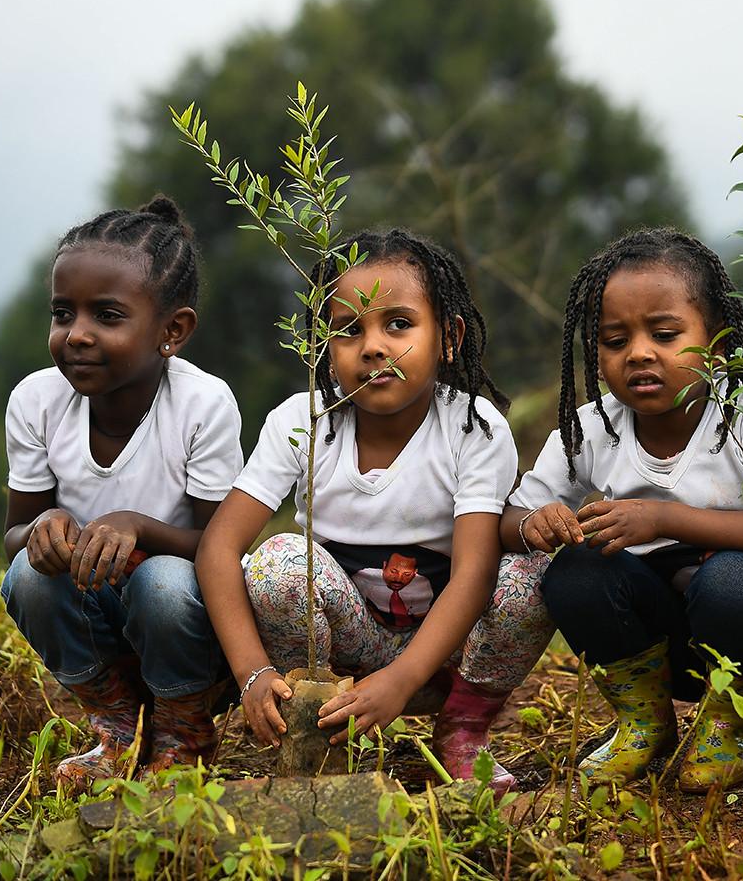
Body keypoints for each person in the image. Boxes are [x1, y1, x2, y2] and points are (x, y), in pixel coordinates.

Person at [196, 229, 552, 794]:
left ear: (449, 337)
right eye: (347, 329)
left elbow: (476, 572)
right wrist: (251, 673)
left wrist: (403, 679)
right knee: (278, 564)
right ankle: (313, 724)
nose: (373, 346)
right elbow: (219, 548)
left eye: (399, 324)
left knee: (532, 571)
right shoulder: (301, 422)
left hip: (448, 654)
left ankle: (463, 728)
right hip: (345, 646)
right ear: (321, 344)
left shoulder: (474, 428)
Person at [502, 228, 743, 792]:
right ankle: (645, 722)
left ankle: (732, 720)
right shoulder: (592, 428)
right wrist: (532, 522)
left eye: (665, 334)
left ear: (715, 342)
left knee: (731, 578)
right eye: (615, 341)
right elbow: (510, 517)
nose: (640, 353)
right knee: (575, 571)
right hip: (658, 638)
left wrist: (660, 519)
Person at [0, 196, 243, 791]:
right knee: (28, 578)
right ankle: (115, 726)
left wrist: (140, 526)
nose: (76, 335)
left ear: (172, 331)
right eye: (63, 314)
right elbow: (10, 539)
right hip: (97, 614)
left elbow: (225, 549)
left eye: (107, 316)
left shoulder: (202, 407)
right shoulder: (37, 400)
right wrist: (42, 530)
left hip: (187, 623)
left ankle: (183, 729)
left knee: (162, 581)